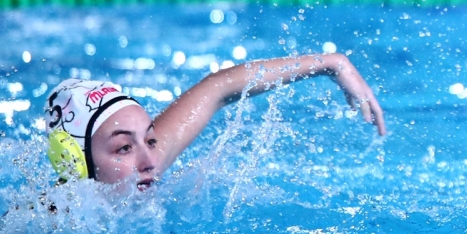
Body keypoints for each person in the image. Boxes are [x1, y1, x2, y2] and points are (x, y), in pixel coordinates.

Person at [44, 52, 386, 189]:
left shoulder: (143, 169)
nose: (150, 162)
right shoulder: (43, 229)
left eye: (150, 140)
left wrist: (331, 64)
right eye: (123, 148)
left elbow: (218, 88)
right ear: (75, 162)